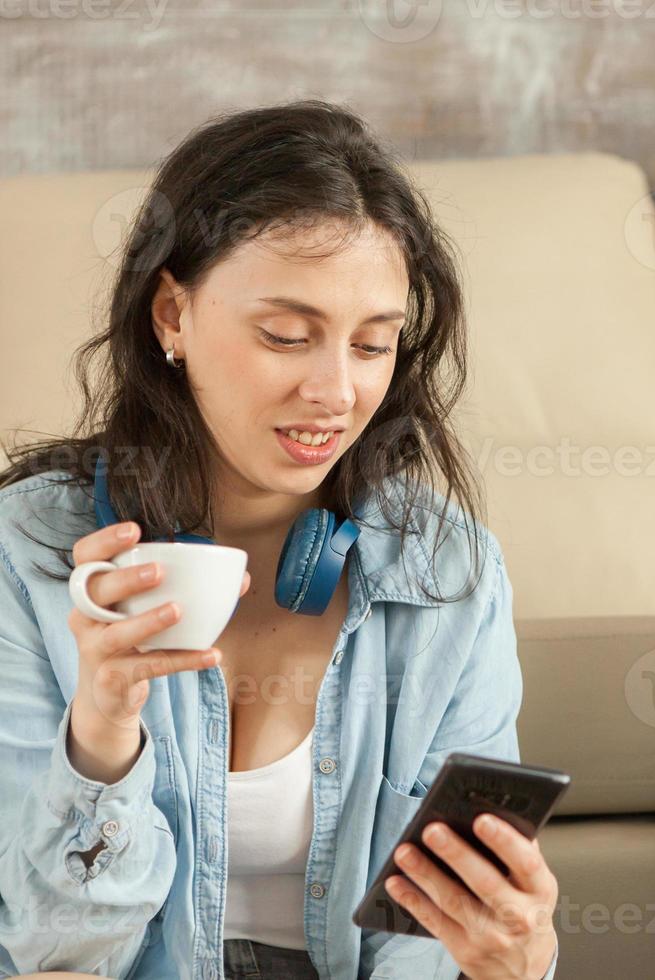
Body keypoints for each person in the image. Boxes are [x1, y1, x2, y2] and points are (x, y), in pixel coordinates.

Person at [0, 101, 560, 980]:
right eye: (286, 337)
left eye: (373, 346)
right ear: (171, 317)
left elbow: (431, 951)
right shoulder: (26, 553)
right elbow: (55, 955)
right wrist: (102, 737)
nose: (335, 392)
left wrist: (513, 961)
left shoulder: (447, 569)